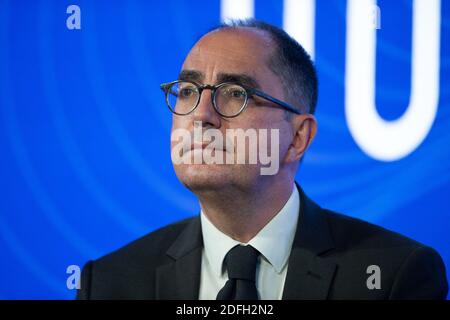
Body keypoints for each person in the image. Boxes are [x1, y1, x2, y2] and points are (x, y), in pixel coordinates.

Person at [76, 19, 448, 300]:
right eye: (188, 91)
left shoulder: (393, 276)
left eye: (235, 93)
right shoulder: (111, 283)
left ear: (298, 137)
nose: (201, 115)